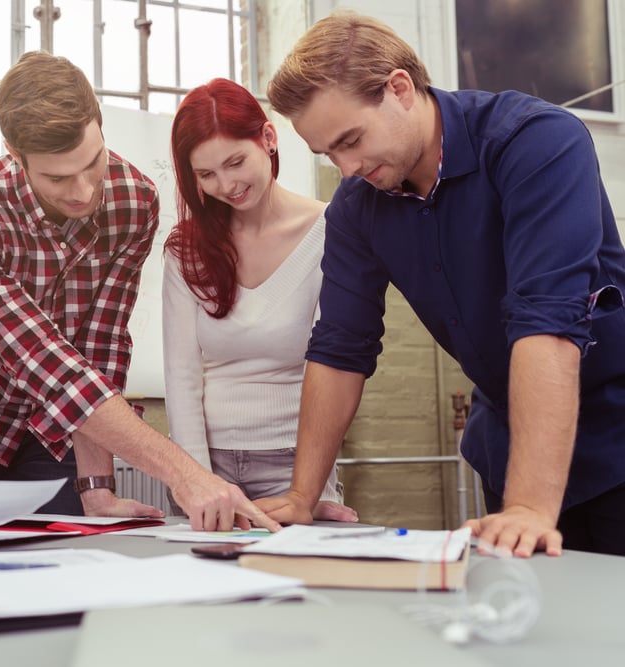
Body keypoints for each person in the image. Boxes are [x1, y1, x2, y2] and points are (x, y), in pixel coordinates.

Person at [259, 9, 625, 557]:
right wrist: (301, 494)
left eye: (351, 139)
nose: (347, 166)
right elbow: (340, 347)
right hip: (510, 441)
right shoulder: (357, 208)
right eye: (328, 153)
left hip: (615, 438)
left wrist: (529, 506)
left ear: (400, 88)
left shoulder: (535, 142)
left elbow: (546, 317)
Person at [0, 51, 279, 532]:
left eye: (93, 162)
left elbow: (99, 345)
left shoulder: (134, 200)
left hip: (56, 431)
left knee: (62, 573)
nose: (84, 192)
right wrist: (187, 475)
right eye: (58, 178)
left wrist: (97, 487)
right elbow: (41, 361)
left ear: (101, 127)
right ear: (12, 152)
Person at [162, 78, 357, 523]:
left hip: (293, 466)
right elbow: (181, 374)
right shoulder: (186, 249)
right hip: (205, 464)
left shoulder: (332, 232)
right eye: (206, 175)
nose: (227, 185)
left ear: (268, 139)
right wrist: (193, 479)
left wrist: (314, 487)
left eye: (235, 162)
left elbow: (331, 363)